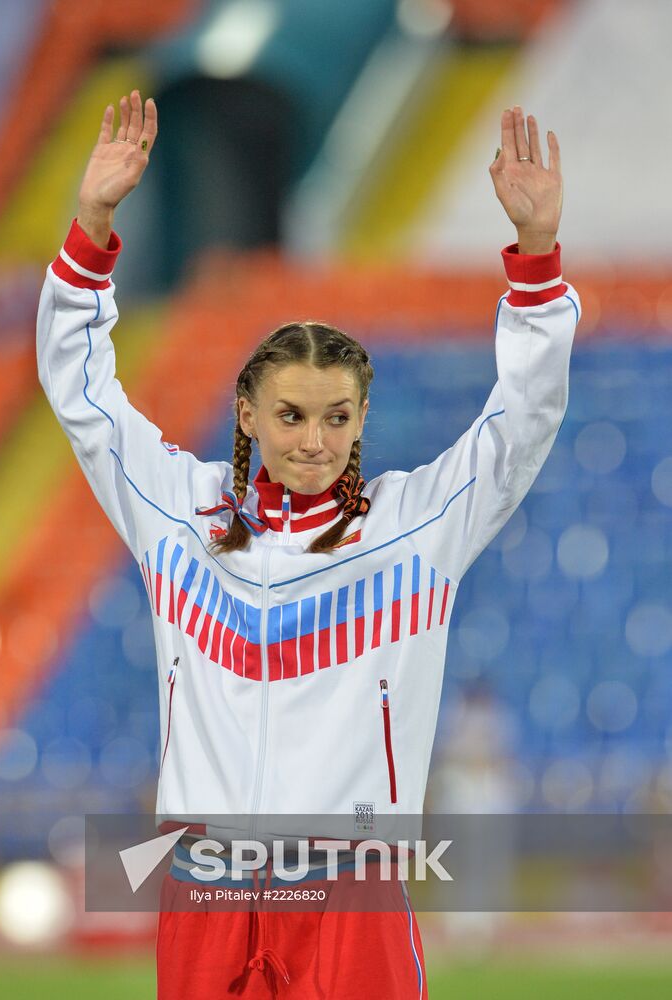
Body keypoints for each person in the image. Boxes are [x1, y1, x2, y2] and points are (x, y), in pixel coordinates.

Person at [37, 90, 579, 998]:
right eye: (289, 415)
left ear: (362, 419)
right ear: (248, 413)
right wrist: (92, 225)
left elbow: (522, 424)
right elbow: (81, 394)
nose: (312, 441)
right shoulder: (180, 513)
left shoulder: (413, 528)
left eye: (336, 418)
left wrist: (534, 263)